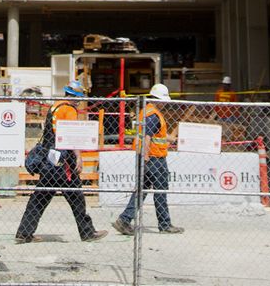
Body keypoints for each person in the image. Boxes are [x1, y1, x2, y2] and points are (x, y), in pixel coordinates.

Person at [15, 82, 104, 244]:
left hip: (49, 161)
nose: (79, 101)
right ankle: (87, 232)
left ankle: (24, 232)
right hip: (64, 164)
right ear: (74, 97)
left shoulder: (55, 106)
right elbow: (72, 135)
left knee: (39, 198)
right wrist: (78, 156)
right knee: (76, 198)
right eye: (78, 98)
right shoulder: (69, 109)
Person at [113, 84, 182, 235]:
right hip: (153, 159)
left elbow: (158, 136)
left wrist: (172, 138)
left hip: (147, 157)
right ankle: (165, 224)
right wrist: (146, 158)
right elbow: (147, 137)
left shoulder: (147, 112)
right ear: (158, 99)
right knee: (160, 191)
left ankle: (124, 220)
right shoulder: (153, 115)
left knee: (141, 192)